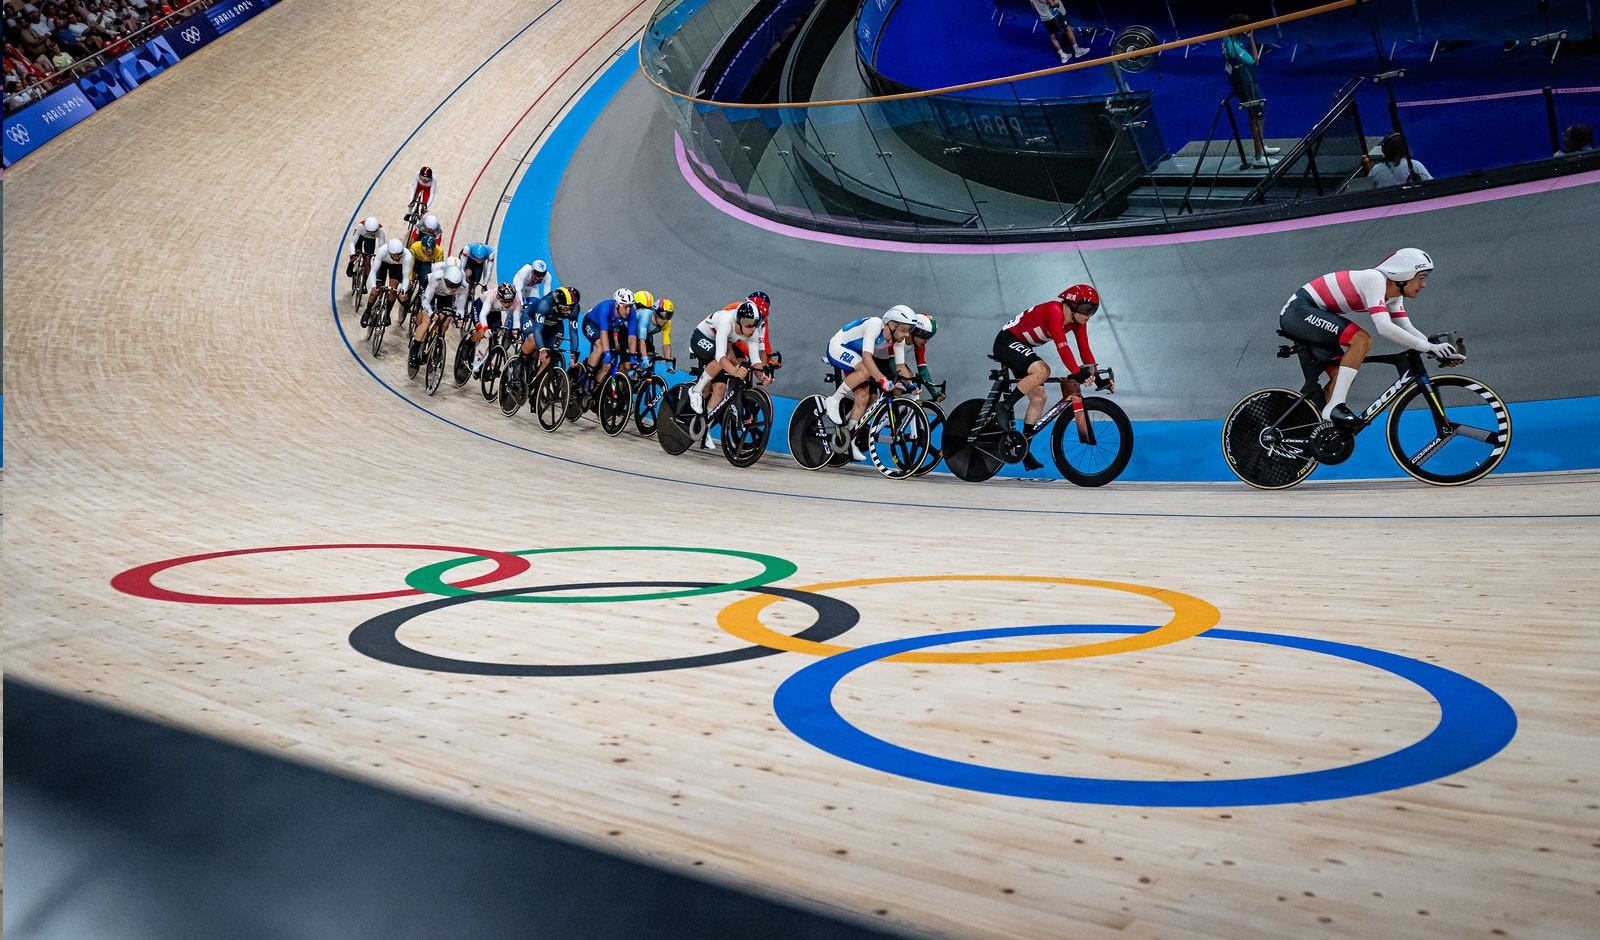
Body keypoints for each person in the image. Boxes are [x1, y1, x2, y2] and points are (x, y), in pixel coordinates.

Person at [1277, 248, 1461, 427]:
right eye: (1421, 278)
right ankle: (1335, 407)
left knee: (1342, 374)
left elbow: (1405, 327)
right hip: (1299, 311)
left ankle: (1307, 424)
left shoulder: (1394, 295)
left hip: (1312, 314)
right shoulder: (1375, 279)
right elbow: (1384, 327)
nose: (1423, 285)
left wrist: (1438, 350)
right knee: (1361, 340)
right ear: (1403, 275)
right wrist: (1428, 347)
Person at [995, 285, 1107, 470]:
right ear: (1072, 304)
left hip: (1021, 348)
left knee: (1039, 397)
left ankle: (1023, 450)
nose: (1090, 315)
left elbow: (1084, 350)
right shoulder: (1054, 310)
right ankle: (1005, 406)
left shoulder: (1078, 322)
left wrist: (1097, 376)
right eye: (1087, 309)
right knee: (1043, 371)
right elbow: (1062, 346)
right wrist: (1076, 372)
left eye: (1093, 311)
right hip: (1006, 342)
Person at [820, 306, 926, 459]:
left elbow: (900, 366)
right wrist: (882, 380)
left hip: (856, 357)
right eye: (903, 329)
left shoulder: (897, 339)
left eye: (908, 330)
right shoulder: (875, 325)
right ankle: (834, 400)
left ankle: (849, 440)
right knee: (865, 370)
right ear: (891, 324)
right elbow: (867, 358)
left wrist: (910, 385)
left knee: (867, 397)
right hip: (839, 347)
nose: (906, 334)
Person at [687, 300, 764, 416]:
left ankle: (705, 426)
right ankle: (695, 391)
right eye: (748, 324)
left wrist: (761, 376)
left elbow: (755, 360)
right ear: (738, 321)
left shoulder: (753, 331)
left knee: (720, 388)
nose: (752, 329)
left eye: (756, 324)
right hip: (701, 337)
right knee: (722, 361)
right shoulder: (726, 321)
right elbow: (720, 356)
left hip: (725, 344)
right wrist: (736, 371)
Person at [1223, 13, 1279, 168]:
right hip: (1245, 84)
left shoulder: (1229, 37)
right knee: (1259, 118)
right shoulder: (1233, 46)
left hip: (1245, 81)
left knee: (1253, 115)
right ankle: (1258, 157)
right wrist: (1252, 39)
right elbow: (1255, 60)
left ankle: (1260, 146)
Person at [410, 263, 469, 369]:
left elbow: (460, 307)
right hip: (431, 291)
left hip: (446, 296)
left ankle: (436, 340)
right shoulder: (436, 278)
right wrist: (432, 314)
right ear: (445, 279)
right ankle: (414, 351)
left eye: (456, 286)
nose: (454, 289)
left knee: (446, 319)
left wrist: (459, 318)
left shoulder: (464, 286)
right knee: (426, 321)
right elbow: (426, 301)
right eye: (451, 285)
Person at [580, 288, 635, 386]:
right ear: (617, 305)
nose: (628, 311)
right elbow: (603, 332)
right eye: (626, 307)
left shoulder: (632, 313)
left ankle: (596, 387)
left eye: (630, 307)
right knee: (601, 348)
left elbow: (632, 336)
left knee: (607, 365)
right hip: (592, 323)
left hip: (609, 328)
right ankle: (587, 379)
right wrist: (607, 353)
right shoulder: (606, 307)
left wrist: (632, 355)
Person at [519, 286, 579, 374]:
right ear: (557, 305)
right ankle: (518, 363)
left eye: (571, 308)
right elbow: (537, 330)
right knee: (534, 342)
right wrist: (542, 350)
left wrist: (574, 354)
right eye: (565, 309)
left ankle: (537, 383)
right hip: (531, 318)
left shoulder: (575, 309)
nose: (569, 312)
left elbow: (573, 332)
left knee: (550, 355)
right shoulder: (545, 304)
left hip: (553, 323)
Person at [469, 282, 521, 376]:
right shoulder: (492, 295)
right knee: (481, 333)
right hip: (481, 307)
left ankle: (483, 367)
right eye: (505, 302)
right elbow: (483, 315)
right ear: (499, 298)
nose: (508, 304)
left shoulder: (516, 300)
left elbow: (516, 321)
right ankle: (467, 345)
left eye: (510, 301)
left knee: (495, 340)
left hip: (495, 312)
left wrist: (515, 334)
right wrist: (485, 329)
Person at [364, 238, 410, 326]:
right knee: (377, 289)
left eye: (399, 255)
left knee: (393, 289)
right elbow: (373, 270)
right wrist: (374, 286)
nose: (397, 257)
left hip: (396, 267)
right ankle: (367, 311)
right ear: (389, 252)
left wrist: (403, 291)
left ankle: (387, 314)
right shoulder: (382, 251)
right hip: (383, 265)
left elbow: (406, 277)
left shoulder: (407, 255)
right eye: (394, 255)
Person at [1360, 132, 1431, 186]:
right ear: (1404, 148)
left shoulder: (1375, 169)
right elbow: (1431, 184)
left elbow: (1368, 190)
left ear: (1384, 149)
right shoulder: (1415, 165)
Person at [626, 289, 674, 367]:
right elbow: (641, 340)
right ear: (655, 313)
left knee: (651, 358)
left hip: (644, 333)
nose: (665, 320)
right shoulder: (645, 316)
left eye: (669, 316)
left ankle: (636, 375)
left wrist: (668, 362)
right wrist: (644, 357)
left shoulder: (667, 323)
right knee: (627, 364)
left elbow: (666, 344)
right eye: (663, 315)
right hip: (627, 331)